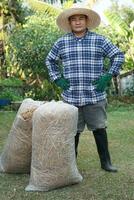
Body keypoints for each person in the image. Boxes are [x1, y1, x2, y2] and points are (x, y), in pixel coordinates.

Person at [46, 6, 124, 172]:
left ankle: (106, 163)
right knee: (72, 131)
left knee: (100, 128)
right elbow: (50, 61)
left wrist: (108, 75)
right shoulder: (61, 42)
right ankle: (70, 164)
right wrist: (57, 78)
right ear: (69, 23)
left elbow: (118, 55)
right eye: (74, 19)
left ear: (87, 21)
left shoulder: (100, 40)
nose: (78, 22)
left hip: (94, 95)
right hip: (71, 96)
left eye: (81, 18)